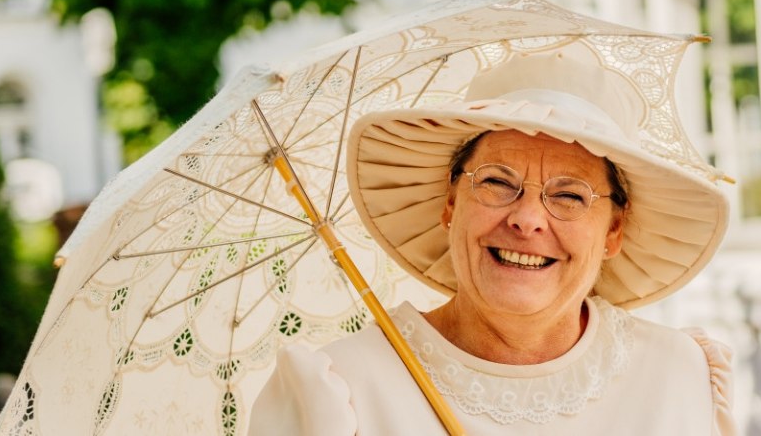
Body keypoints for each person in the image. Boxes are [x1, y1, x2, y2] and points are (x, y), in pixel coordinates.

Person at [252, 51, 735, 434]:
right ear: (450, 203)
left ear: (613, 230)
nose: (527, 220)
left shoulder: (677, 374)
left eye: (569, 195)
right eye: (497, 183)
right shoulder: (342, 391)